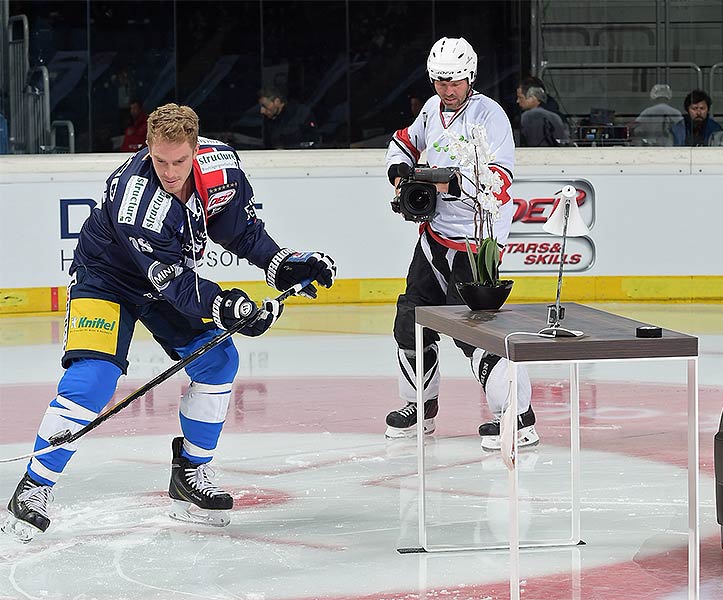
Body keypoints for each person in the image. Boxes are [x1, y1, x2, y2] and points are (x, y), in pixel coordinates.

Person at [2, 104, 336, 541]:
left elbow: (241, 232)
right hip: (108, 280)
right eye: (160, 160)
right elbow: (176, 285)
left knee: (218, 363)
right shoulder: (134, 198)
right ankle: (34, 486)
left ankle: (191, 474)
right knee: (92, 379)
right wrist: (228, 306)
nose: (170, 171)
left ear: (197, 149)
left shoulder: (222, 168)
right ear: (148, 148)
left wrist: (282, 263)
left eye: (179, 160)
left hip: (166, 281)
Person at [383, 37, 538, 451]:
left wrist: (451, 180)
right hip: (434, 236)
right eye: (439, 81)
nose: (447, 90)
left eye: (454, 82)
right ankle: (419, 407)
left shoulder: (491, 116)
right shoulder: (432, 110)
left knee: (474, 331)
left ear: (470, 77)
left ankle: (518, 418)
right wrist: (399, 171)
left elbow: (500, 181)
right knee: (411, 318)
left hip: (477, 240)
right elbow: (403, 141)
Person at [516, 79, 571, 147]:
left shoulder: (529, 117)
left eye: (520, 97)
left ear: (532, 98)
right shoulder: (558, 115)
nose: (517, 101)